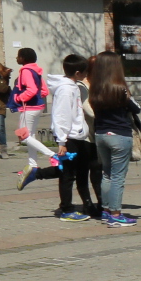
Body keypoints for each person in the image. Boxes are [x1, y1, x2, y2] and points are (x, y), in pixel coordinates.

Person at [86, 52, 141, 228]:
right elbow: (136, 108)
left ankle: (106, 211)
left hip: (101, 135)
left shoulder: (94, 89)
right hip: (119, 135)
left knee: (107, 174)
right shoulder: (120, 89)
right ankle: (116, 214)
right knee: (118, 177)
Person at [47, 53, 98, 220]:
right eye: (85, 72)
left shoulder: (73, 87)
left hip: (78, 136)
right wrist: (62, 141)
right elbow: (61, 116)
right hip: (70, 138)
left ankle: (85, 205)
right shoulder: (65, 90)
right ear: (77, 73)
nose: (86, 75)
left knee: (81, 171)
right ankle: (66, 209)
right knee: (67, 175)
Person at [11, 47, 48, 175]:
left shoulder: (26, 71)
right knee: (30, 136)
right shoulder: (36, 70)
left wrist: (19, 98)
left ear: (23, 58)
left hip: (29, 108)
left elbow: (31, 90)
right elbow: (44, 90)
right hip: (38, 106)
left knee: (24, 136)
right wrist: (38, 97)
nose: (16, 58)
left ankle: (52, 154)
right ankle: (33, 165)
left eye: (18, 56)